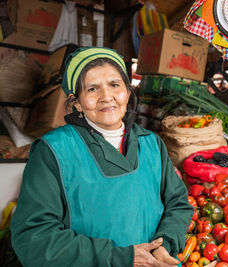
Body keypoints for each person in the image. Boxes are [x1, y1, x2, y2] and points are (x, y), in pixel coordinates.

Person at [10, 47, 193, 266]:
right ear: (76, 101)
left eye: (114, 85)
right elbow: (34, 238)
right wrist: (119, 257)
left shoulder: (151, 144)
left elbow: (178, 204)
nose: (107, 97)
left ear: (127, 91)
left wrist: (164, 246)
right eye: (92, 89)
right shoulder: (53, 151)